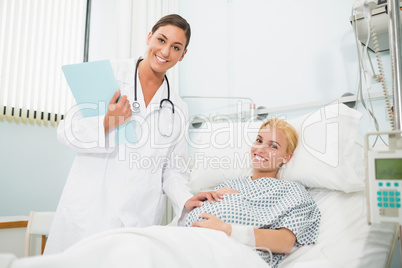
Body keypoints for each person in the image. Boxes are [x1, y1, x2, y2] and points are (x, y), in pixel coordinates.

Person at [46, 14, 220, 254]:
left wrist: (185, 199)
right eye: (161, 40)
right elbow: (66, 133)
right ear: (149, 37)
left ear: (183, 54)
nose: (166, 51)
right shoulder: (110, 74)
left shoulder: (177, 106)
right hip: (91, 209)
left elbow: (173, 170)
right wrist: (107, 123)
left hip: (139, 216)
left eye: (176, 47)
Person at [185, 118, 321, 268]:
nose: (260, 149)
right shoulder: (230, 183)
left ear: (286, 157)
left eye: (273, 146)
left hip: (231, 254)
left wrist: (228, 230)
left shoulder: (292, 191)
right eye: (259, 140)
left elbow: (284, 242)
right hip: (191, 241)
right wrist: (190, 207)